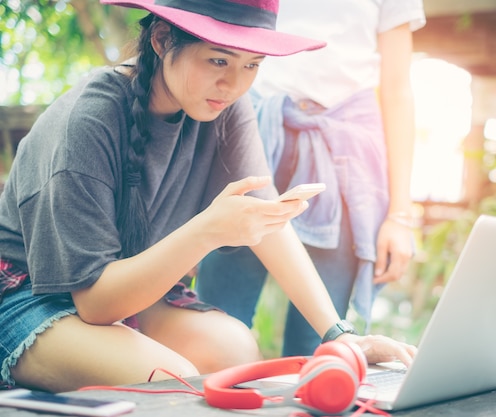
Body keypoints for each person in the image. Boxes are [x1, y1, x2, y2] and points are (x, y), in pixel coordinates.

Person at [0, 0, 416, 393]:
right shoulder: (89, 121)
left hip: (125, 296)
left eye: (252, 65)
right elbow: (94, 303)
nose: (234, 83)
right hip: (31, 297)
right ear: (162, 40)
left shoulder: (223, 106)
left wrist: (339, 334)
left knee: (235, 351)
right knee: (172, 379)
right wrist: (208, 230)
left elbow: (269, 218)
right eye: (218, 60)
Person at [196, 0, 426, 356]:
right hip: (249, 130)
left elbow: (398, 89)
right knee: (217, 324)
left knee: (319, 346)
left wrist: (399, 215)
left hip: (344, 156)